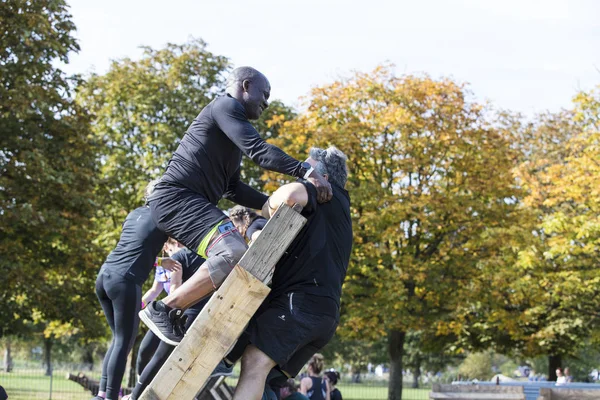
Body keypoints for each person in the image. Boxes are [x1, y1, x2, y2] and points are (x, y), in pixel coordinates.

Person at [141, 67, 332, 345]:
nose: (266, 103)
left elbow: (232, 188)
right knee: (232, 251)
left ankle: (174, 312)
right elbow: (259, 151)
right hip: (177, 198)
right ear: (245, 86)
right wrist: (305, 171)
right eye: (264, 95)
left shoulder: (227, 133)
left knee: (230, 256)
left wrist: (268, 204)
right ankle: (164, 309)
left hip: (182, 201)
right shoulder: (225, 106)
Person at [230, 146, 352, 400]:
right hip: (324, 313)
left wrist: (265, 209)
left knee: (254, 361)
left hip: (300, 306)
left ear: (323, 179)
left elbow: (288, 196)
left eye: (307, 170)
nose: (302, 174)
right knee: (269, 380)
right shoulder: (341, 207)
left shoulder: (321, 193)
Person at [93, 181, 182, 400]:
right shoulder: (164, 217)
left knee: (117, 339)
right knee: (124, 342)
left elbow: (136, 247)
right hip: (125, 281)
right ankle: (112, 396)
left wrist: (161, 261)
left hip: (105, 275)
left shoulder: (134, 214)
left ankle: (102, 394)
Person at [124, 244, 219, 400]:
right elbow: (155, 290)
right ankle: (141, 388)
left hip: (185, 312)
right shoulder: (168, 263)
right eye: (173, 244)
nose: (177, 247)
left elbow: (175, 289)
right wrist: (139, 306)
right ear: (166, 247)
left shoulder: (180, 260)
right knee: (144, 350)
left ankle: (137, 395)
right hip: (168, 310)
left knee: (162, 356)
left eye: (180, 244)